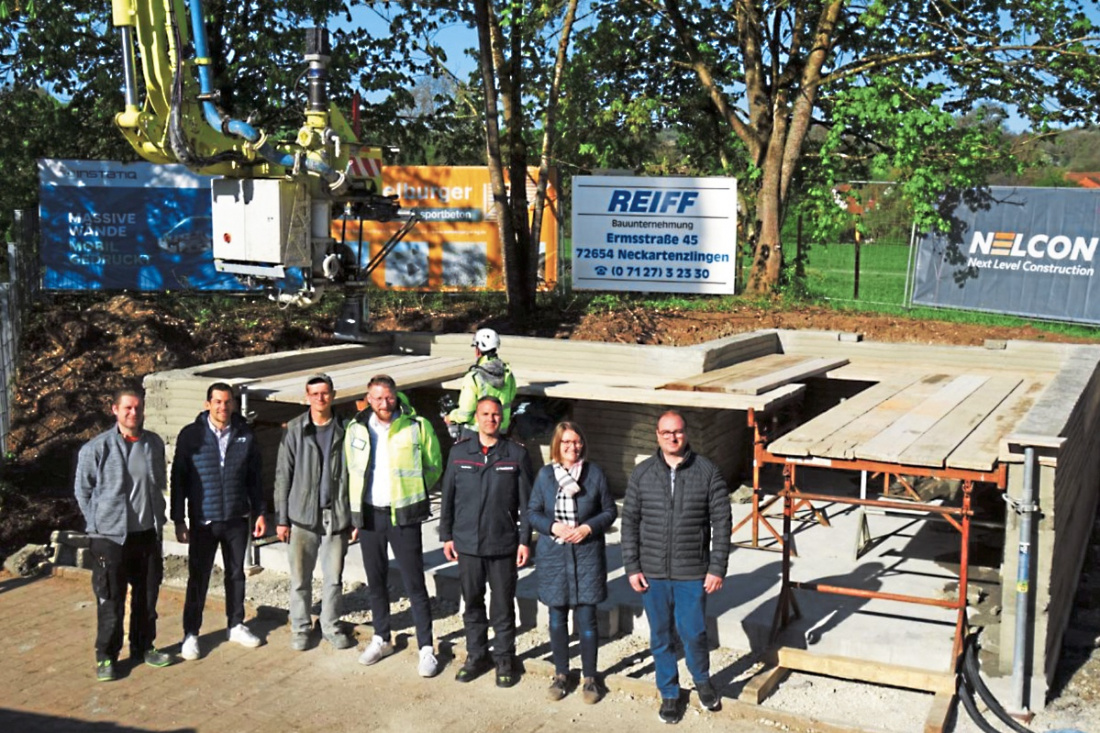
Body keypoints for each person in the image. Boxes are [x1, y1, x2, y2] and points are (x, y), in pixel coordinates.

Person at [621, 410, 732, 724]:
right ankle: (669, 692)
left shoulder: (707, 471)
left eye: (678, 431)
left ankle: (702, 680)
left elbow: (722, 521)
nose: (673, 437)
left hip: (692, 571)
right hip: (652, 572)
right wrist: (632, 566)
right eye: (666, 432)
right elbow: (629, 522)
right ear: (657, 435)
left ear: (686, 434)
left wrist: (717, 567)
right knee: (660, 636)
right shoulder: (643, 473)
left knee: (693, 632)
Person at [345, 374, 443, 676]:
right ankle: (381, 638)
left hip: (403, 515)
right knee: (376, 581)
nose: (384, 403)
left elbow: (434, 465)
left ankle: (426, 648)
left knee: (415, 583)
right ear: (368, 399)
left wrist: (412, 492)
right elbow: (351, 469)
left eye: (388, 397)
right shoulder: (356, 428)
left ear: (396, 395)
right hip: (370, 515)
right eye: (377, 398)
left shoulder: (416, 426)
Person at [75, 387, 171, 681]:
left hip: (146, 535)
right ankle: (106, 656)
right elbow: (82, 490)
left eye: (138, 408)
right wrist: (97, 525)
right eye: (128, 408)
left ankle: (144, 647)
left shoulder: (153, 443)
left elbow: (158, 484)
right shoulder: (97, 448)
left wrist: (159, 519)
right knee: (111, 600)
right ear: (115, 410)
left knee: (147, 598)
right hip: (110, 539)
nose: (134, 413)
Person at [440, 396, 533, 688]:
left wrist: (524, 540)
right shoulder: (459, 453)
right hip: (467, 544)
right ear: (476, 418)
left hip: (503, 544)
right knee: (472, 603)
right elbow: (448, 498)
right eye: (485, 414)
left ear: (502, 418)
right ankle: (476, 655)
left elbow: (527, 504)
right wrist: (446, 535)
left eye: (495, 414)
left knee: (503, 605)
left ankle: (504, 658)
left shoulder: (516, 454)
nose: (490, 419)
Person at [172, 382, 266, 660]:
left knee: (236, 575)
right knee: (198, 577)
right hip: (204, 520)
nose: (223, 407)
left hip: (237, 518)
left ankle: (235, 625)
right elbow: (179, 479)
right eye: (217, 402)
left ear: (233, 404)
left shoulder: (245, 434)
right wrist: (178, 519)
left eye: (227, 402)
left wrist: (260, 511)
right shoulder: (191, 435)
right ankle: (191, 634)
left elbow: (255, 477)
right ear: (207, 404)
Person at [527, 421, 617, 704]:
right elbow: (533, 512)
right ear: (557, 444)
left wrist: (588, 528)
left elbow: (609, 511)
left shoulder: (594, 474)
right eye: (566, 442)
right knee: (557, 619)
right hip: (554, 557)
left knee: (587, 620)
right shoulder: (545, 476)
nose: (572, 447)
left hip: (586, 555)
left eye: (576, 441)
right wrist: (552, 526)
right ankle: (561, 674)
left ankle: (590, 678)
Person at [274, 374, 355, 652]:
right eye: (315, 393)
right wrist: (282, 519)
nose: (320, 398)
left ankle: (331, 626)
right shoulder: (295, 429)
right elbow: (283, 475)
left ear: (333, 394)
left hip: (336, 513)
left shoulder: (347, 428)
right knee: (300, 579)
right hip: (302, 515)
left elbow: (357, 473)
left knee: (333, 579)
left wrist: (355, 516)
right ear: (307, 397)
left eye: (325, 393)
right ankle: (300, 628)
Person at [444, 328, 517, 436]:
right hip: (500, 432)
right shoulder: (508, 374)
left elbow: (465, 415)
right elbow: (511, 397)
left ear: (478, 350)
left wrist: (451, 417)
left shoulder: (473, 378)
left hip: (476, 434)